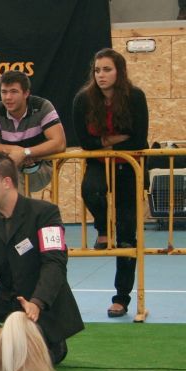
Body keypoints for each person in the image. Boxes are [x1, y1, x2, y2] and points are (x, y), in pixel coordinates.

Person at [0, 153, 84, 365]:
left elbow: (55, 264)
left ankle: (52, 341)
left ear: (6, 182)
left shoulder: (46, 213)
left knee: (32, 361)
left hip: (42, 305)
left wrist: (37, 303)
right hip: (9, 298)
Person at [72, 48, 148, 318]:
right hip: (99, 162)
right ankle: (103, 228)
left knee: (128, 233)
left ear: (120, 71)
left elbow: (138, 139)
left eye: (107, 69)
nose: (101, 75)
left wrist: (104, 142)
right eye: (97, 70)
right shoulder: (83, 100)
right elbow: (85, 142)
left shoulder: (135, 96)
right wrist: (113, 140)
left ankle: (122, 297)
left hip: (129, 166)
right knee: (91, 190)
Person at [0, 70, 66, 193]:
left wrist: (26, 152)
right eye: (4, 92)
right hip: (11, 166)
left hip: (41, 167)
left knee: (8, 177)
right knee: (4, 176)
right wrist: (13, 150)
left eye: (13, 92)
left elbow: (59, 143)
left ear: (26, 93)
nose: (8, 97)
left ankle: (18, 211)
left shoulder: (42, 106)